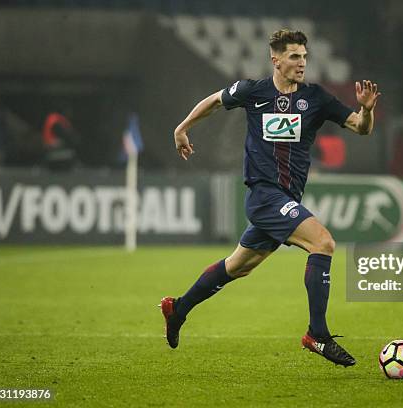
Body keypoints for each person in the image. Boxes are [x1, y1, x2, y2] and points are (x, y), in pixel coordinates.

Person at [160, 29, 380, 367]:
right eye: (294, 56)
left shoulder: (316, 98)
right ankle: (317, 335)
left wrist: (366, 111)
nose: (301, 63)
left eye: (304, 57)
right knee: (323, 244)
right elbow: (215, 101)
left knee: (238, 266)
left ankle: (179, 308)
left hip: (285, 197)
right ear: (275, 60)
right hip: (264, 196)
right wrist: (182, 128)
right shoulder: (253, 91)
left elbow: (361, 128)